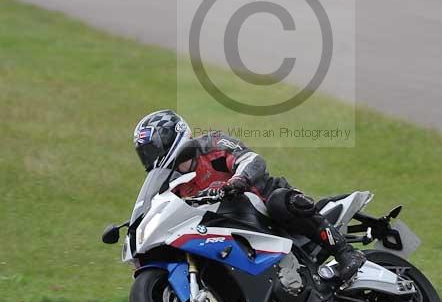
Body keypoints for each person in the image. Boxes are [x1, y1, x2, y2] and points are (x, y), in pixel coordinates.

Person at [133, 109, 366, 283]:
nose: (150, 156)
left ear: (172, 137)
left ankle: (346, 253)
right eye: (144, 152)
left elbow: (252, 160)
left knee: (279, 202)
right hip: (226, 226)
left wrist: (238, 180)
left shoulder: (210, 144)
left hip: (263, 206)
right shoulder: (172, 183)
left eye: (153, 148)